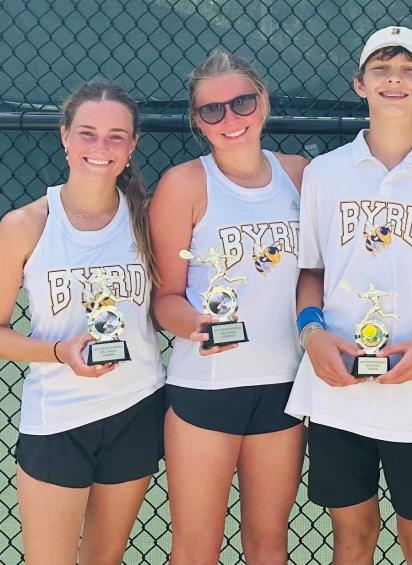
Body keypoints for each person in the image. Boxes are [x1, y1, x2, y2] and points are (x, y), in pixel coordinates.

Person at [286, 25, 412, 565]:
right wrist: (312, 334)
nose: (394, 80)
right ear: (359, 83)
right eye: (381, 70)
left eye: (408, 70)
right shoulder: (325, 174)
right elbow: (310, 272)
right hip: (336, 386)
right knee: (352, 533)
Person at [0, 78, 165, 565]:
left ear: (133, 146)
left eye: (116, 136)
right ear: (64, 135)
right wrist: (60, 352)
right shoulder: (25, 225)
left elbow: (170, 303)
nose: (100, 147)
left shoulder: (148, 216)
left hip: (136, 408)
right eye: (87, 133)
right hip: (58, 417)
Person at [148, 49, 307, 564]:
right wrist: (194, 324)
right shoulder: (184, 184)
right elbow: (165, 299)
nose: (230, 119)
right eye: (211, 110)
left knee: (268, 543)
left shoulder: (299, 175)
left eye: (241, 102)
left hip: (284, 386)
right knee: (196, 549)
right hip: (206, 389)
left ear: (262, 102)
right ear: (197, 121)